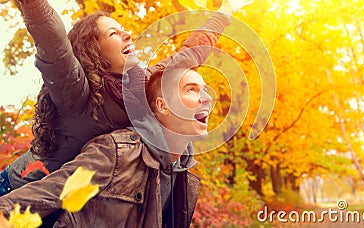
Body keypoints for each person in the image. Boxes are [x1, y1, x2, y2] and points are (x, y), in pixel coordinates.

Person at [0, 0, 252, 195]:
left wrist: (224, 13)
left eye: (124, 30)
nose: (128, 35)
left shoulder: (142, 86)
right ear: (94, 52)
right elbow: (53, 40)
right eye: (113, 34)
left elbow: (190, 54)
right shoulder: (75, 90)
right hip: (16, 189)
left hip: (67, 202)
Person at [0, 64, 213, 227]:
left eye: (205, 90)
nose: (206, 98)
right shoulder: (117, 151)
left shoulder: (183, 174)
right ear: (163, 106)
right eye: (191, 89)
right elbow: (48, 193)